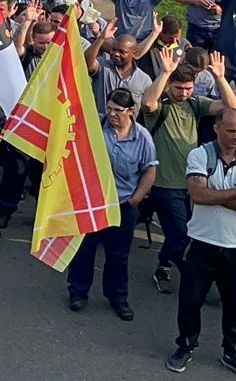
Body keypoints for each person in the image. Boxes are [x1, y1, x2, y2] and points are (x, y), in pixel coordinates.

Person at [166, 109, 236, 379]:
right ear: (217, 129)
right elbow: (197, 194)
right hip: (202, 242)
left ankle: (232, 352)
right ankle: (186, 346)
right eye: (231, 131)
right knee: (190, 301)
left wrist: (219, 194)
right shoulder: (200, 155)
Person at [142, 52, 236, 295]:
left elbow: (231, 108)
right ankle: (197, 283)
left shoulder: (196, 104)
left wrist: (220, 78)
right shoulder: (160, 107)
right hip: (164, 184)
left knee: (184, 234)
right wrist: (164, 73)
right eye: (178, 88)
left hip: (192, 184)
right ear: (169, 86)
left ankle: (163, 266)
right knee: (182, 235)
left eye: (188, 88)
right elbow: (147, 104)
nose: (183, 93)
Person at [67, 88, 157, 321]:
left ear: (131, 111)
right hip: (93, 201)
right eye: (109, 108)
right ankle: (78, 292)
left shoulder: (142, 137)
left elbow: (150, 169)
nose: (112, 114)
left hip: (123, 204)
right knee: (84, 250)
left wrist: (137, 197)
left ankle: (118, 298)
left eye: (118, 110)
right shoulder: (96, 125)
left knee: (118, 255)